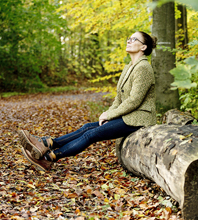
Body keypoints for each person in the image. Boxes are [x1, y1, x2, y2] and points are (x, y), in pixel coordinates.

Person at [19, 31, 158, 172]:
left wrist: (109, 116)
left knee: (91, 134)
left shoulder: (143, 68)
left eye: (134, 39)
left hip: (140, 118)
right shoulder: (129, 67)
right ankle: (47, 143)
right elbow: (119, 98)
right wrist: (108, 113)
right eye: (129, 38)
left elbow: (134, 100)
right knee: (87, 127)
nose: (129, 40)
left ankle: (48, 158)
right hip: (129, 116)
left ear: (143, 47)